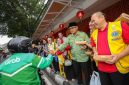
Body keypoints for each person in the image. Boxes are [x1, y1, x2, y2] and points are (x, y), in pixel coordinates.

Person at [90, 12, 129, 85]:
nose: (92, 23)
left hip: (119, 69)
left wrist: (118, 56)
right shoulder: (94, 33)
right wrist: (95, 52)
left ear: (102, 17)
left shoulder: (119, 25)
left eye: (93, 20)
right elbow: (93, 45)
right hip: (102, 70)